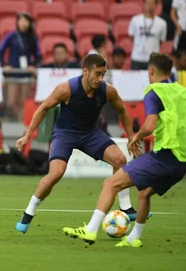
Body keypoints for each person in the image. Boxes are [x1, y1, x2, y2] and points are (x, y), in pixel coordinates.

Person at [63, 53, 186, 247]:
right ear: (170, 72)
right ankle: (133, 238)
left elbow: (150, 124)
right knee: (144, 193)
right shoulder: (184, 92)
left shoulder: (153, 91)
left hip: (163, 157)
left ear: (151, 71)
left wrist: (135, 138)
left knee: (110, 184)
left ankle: (90, 230)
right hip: (182, 163)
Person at [14, 54, 139, 234]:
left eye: (103, 74)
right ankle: (28, 213)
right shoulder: (66, 89)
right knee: (56, 173)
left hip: (89, 133)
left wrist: (131, 137)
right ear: (85, 71)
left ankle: (126, 207)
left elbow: (123, 111)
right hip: (65, 134)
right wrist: (27, 136)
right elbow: (43, 108)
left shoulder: (107, 90)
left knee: (119, 160)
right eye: (97, 74)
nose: (100, 79)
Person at [0, 13, 41, 121]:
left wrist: (33, 65)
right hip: (13, 72)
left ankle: (22, 126)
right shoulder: (11, 35)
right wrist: (4, 65)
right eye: (21, 20)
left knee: (23, 101)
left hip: (26, 73)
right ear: (17, 22)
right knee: (11, 102)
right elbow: (0, 51)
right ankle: (18, 120)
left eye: (26, 21)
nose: (23, 23)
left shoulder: (32, 38)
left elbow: (38, 54)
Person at [128, 0, 168, 70]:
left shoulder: (162, 23)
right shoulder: (135, 20)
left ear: (156, 5)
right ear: (143, 5)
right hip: (137, 58)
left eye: (152, 3)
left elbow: (161, 41)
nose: (150, 6)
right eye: (147, 3)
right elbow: (131, 37)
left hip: (153, 60)